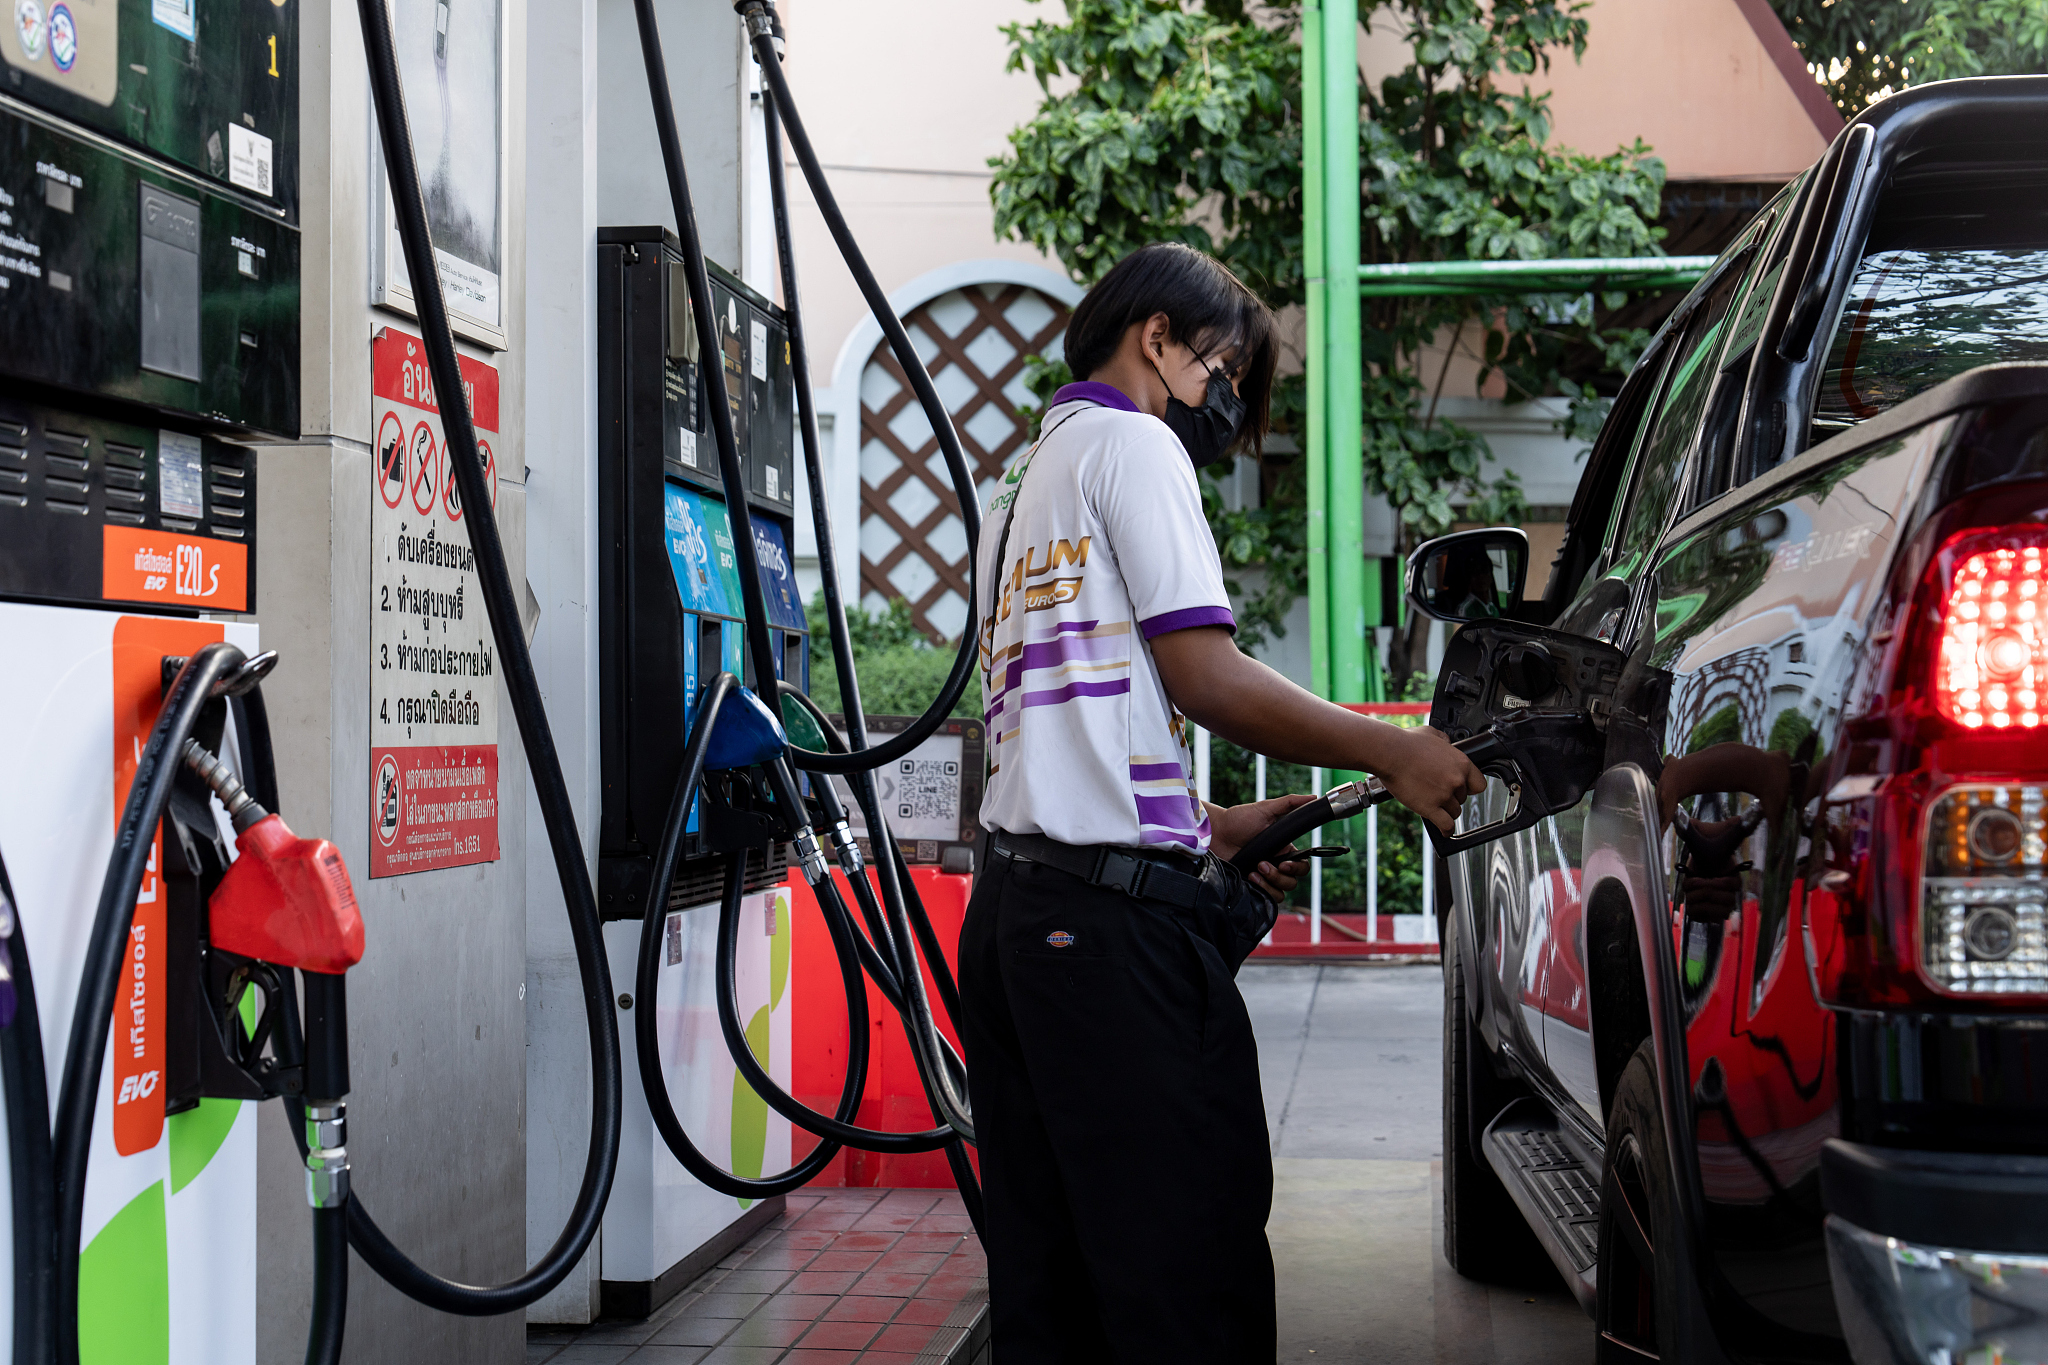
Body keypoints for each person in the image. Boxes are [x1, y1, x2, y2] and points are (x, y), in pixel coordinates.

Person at [959, 242, 1485, 1363]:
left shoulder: (1024, 478)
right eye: (1222, 371)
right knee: (1182, 1279)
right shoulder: (1134, 444)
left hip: (1014, 925)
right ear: (1156, 338)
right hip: (1103, 948)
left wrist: (1206, 827)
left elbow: (1052, 726)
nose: (1224, 401)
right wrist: (1395, 752)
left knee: (1053, 1290)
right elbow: (1204, 676)